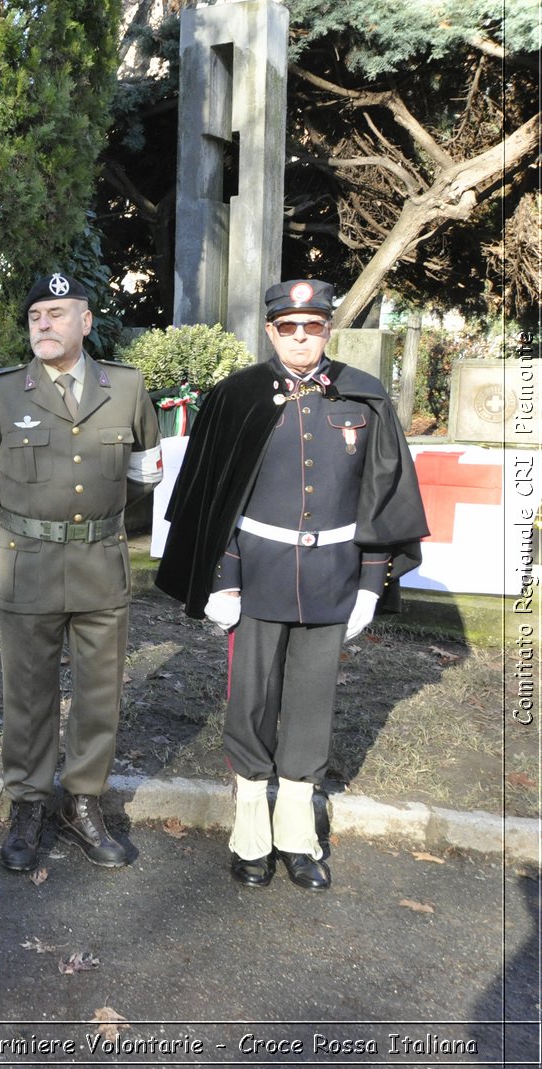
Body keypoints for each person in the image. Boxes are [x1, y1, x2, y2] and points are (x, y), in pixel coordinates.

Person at [156, 279, 428, 890]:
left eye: (313, 327)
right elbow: (217, 498)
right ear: (271, 331)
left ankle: (297, 833)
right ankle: (251, 829)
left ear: (328, 330)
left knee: (312, 703)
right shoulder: (238, 397)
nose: (301, 338)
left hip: (333, 579)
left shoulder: (365, 395)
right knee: (251, 700)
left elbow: (383, 495)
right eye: (288, 328)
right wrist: (222, 581)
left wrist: (368, 584)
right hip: (258, 577)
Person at [0, 272, 161, 873]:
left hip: (102, 563)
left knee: (100, 694)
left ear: (86, 321)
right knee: (27, 694)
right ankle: (27, 803)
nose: (43, 324)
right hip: (30, 566)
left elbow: (145, 475)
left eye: (56, 313)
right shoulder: (2, 392)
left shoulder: (125, 388)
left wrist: (100, 521)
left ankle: (83, 803)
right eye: (35, 316)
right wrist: (27, 526)